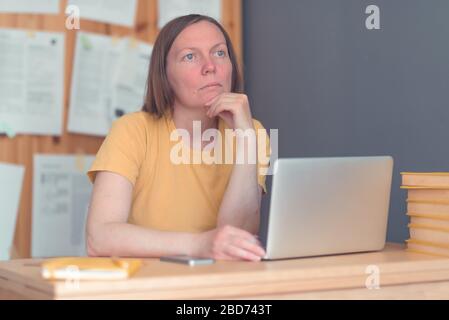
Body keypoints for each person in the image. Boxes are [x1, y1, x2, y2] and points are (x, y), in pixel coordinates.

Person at [85, 14, 269, 261]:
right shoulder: (132, 131)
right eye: (190, 56)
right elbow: (100, 238)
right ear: (165, 75)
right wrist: (198, 245)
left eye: (219, 53)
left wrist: (246, 139)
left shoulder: (252, 132)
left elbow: (238, 236)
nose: (210, 66)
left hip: (219, 285)